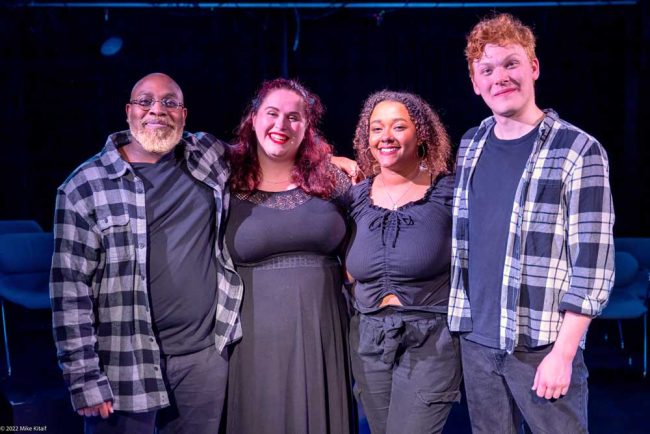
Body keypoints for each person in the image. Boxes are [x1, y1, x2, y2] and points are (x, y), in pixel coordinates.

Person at [447, 13, 615, 433]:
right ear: (475, 81)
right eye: (487, 69)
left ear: (534, 68)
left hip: (542, 346)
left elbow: (593, 265)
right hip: (477, 342)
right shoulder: (471, 144)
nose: (499, 77)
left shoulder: (578, 149)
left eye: (511, 64)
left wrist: (563, 353)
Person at [50, 73, 242, 434]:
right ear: (128, 112)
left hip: (202, 358)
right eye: (146, 101)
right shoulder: (83, 187)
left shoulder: (208, 157)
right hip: (124, 364)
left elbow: (269, 155)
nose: (158, 109)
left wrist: (330, 160)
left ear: (184, 116)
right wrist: (83, 379)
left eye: (170, 102)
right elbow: (69, 292)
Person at [224, 78, 356, 434]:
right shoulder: (223, 183)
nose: (281, 125)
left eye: (294, 117)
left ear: (306, 128)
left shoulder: (333, 181)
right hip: (254, 339)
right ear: (253, 119)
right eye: (272, 113)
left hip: (324, 332)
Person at [345, 90, 462, 434]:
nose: (386, 137)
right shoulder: (355, 197)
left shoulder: (448, 192)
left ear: (421, 133)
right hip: (368, 338)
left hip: (430, 339)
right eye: (376, 129)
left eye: (399, 127)